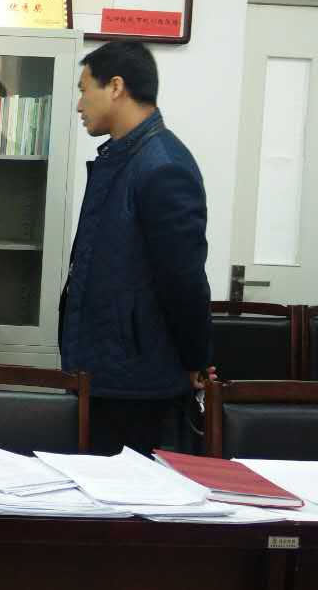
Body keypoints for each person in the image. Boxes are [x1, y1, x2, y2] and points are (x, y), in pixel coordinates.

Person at [59, 40, 213, 456]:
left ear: (115, 87)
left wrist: (195, 359)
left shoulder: (162, 166)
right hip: (105, 368)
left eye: (83, 89)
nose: (79, 104)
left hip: (137, 383)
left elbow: (183, 279)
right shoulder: (122, 157)